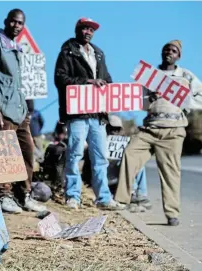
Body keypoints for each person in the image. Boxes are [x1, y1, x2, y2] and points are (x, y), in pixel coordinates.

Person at [115, 40, 202, 226]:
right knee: (130, 154)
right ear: (161, 53)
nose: (169, 52)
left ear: (179, 55)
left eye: (173, 50)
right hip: (150, 128)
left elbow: (200, 97)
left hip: (173, 129)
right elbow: (141, 102)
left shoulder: (186, 76)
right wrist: (149, 98)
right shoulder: (150, 76)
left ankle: (172, 213)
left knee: (170, 171)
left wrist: (185, 103)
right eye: (166, 50)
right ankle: (121, 201)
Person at [0, 8, 47, 214]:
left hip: (19, 110)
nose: (16, 26)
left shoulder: (16, 48)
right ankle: (4, 195)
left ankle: (24, 195)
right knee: (3, 154)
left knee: (27, 151)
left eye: (20, 23)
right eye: (14, 22)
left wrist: (26, 109)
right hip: (3, 110)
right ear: (6, 21)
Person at [54, 17, 125, 210]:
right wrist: (87, 82)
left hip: (97, 115)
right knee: (75, 154)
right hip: (77, 114)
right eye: (85, 28)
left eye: (91, 30)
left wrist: (108, 92)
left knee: (100, 156)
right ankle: (73, 196)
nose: (88, 32)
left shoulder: (99, 54)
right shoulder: (67, 51)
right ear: (77, 30)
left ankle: (103, 198)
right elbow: (60, 78)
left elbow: (107, 78)